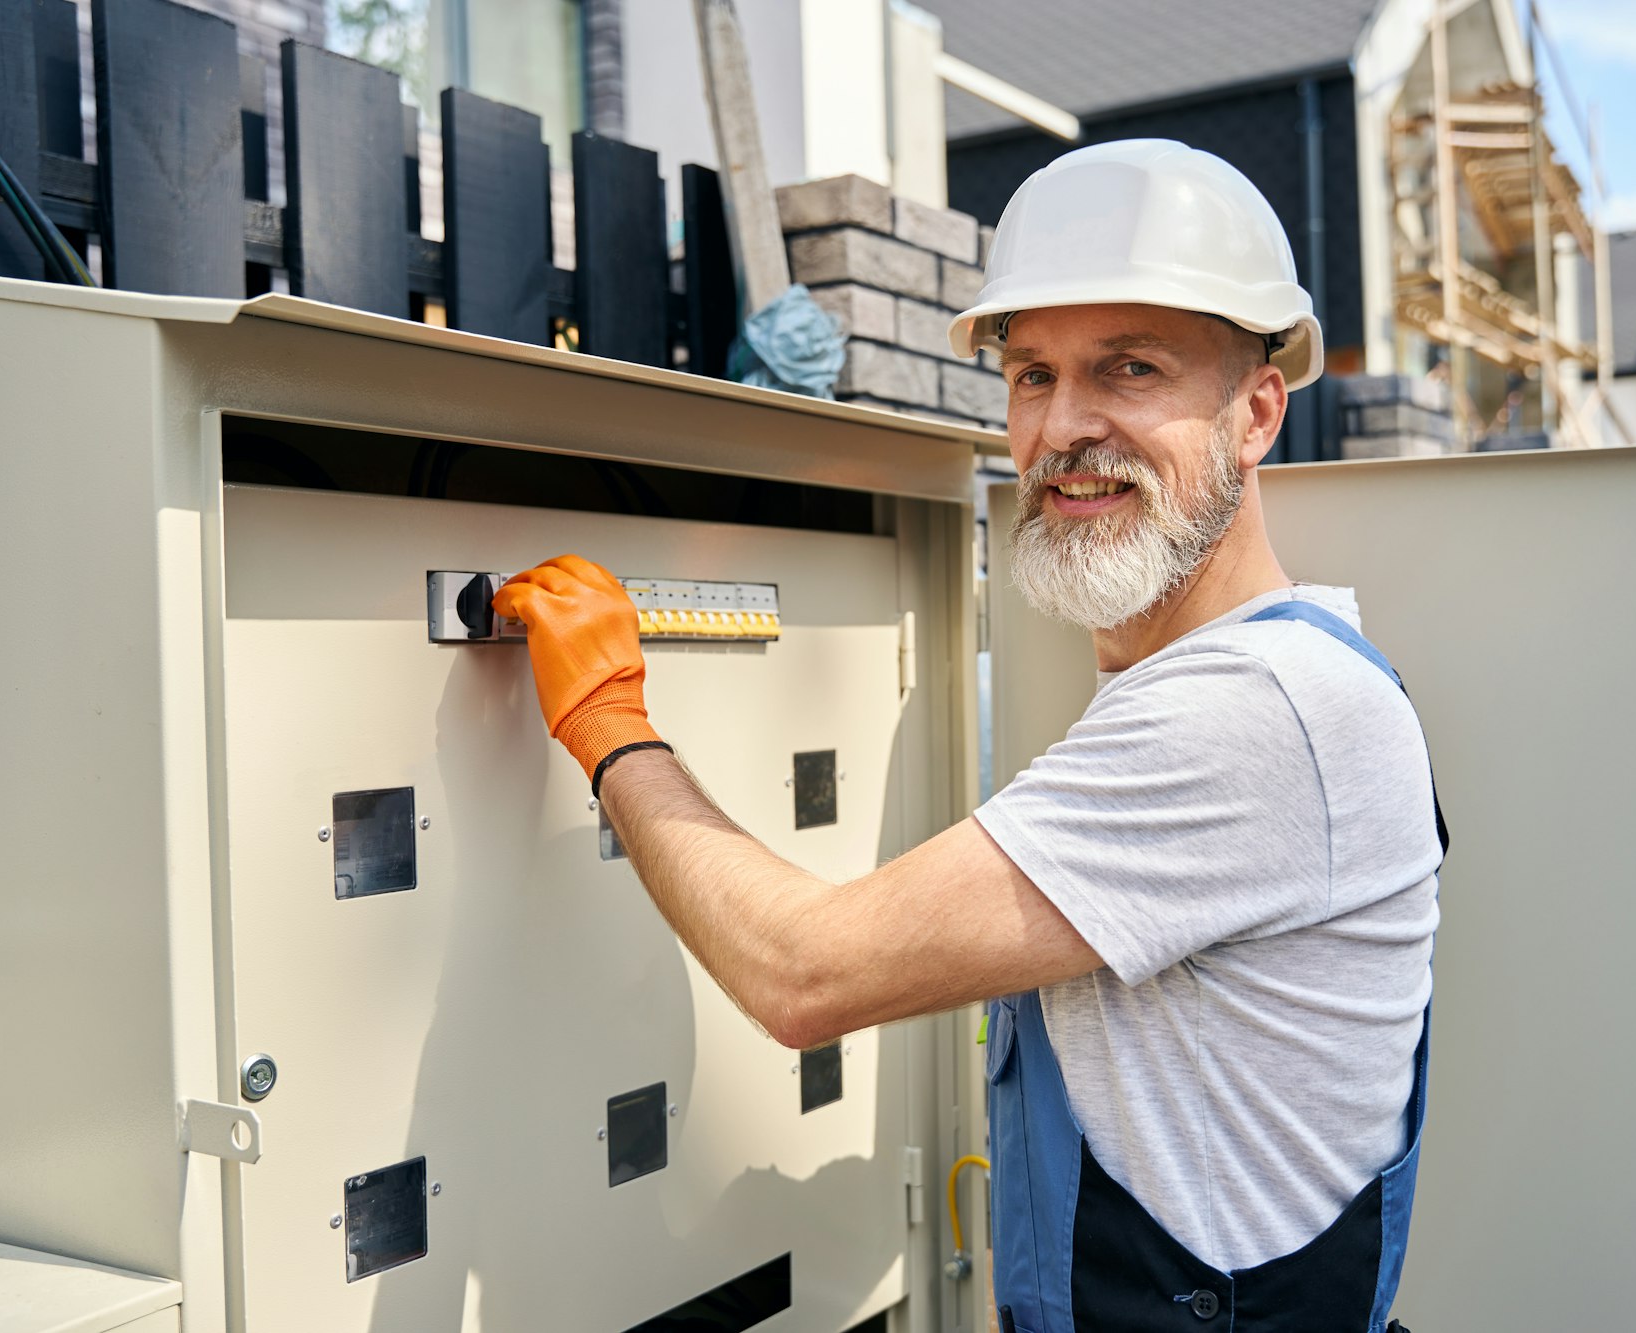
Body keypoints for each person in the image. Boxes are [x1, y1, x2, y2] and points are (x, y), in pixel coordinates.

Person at [493, 139, 1442, 1332]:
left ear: (1255, 411)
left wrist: (609, 728)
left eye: (1129, 369)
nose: (1062, 428)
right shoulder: (1258, 677)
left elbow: (801, 972)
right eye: (1032, 374)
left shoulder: (1249, 713)